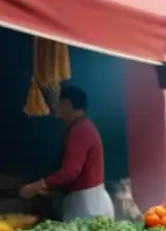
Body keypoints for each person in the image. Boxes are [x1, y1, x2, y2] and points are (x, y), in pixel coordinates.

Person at [20, 86, 114, 220]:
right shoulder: (84, 126)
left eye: (60, 105)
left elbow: (71, 171)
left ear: (68, 105)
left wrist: (38, 185)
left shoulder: (80, 130)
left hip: (87, 206)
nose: (57, 112)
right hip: (90, 202)